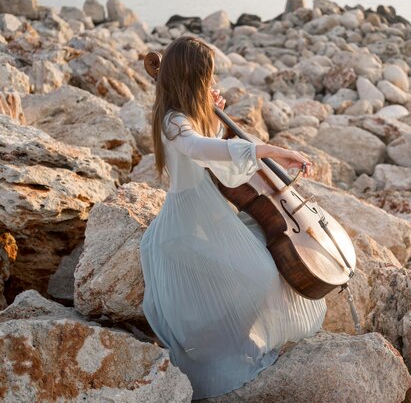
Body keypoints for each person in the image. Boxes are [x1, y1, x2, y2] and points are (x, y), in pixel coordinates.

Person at [139, 36, 327, 400]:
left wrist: (212, 119)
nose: (213, 83)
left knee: (267, 260)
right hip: (188, 218)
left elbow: (224, 169)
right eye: (207, 76)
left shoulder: (192, 117)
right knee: (259, 274)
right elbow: (200, 149)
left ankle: (239, 334)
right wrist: (268, 148)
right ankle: (222, 345)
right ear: (192, 77)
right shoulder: (174, 121)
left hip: (213, 211)